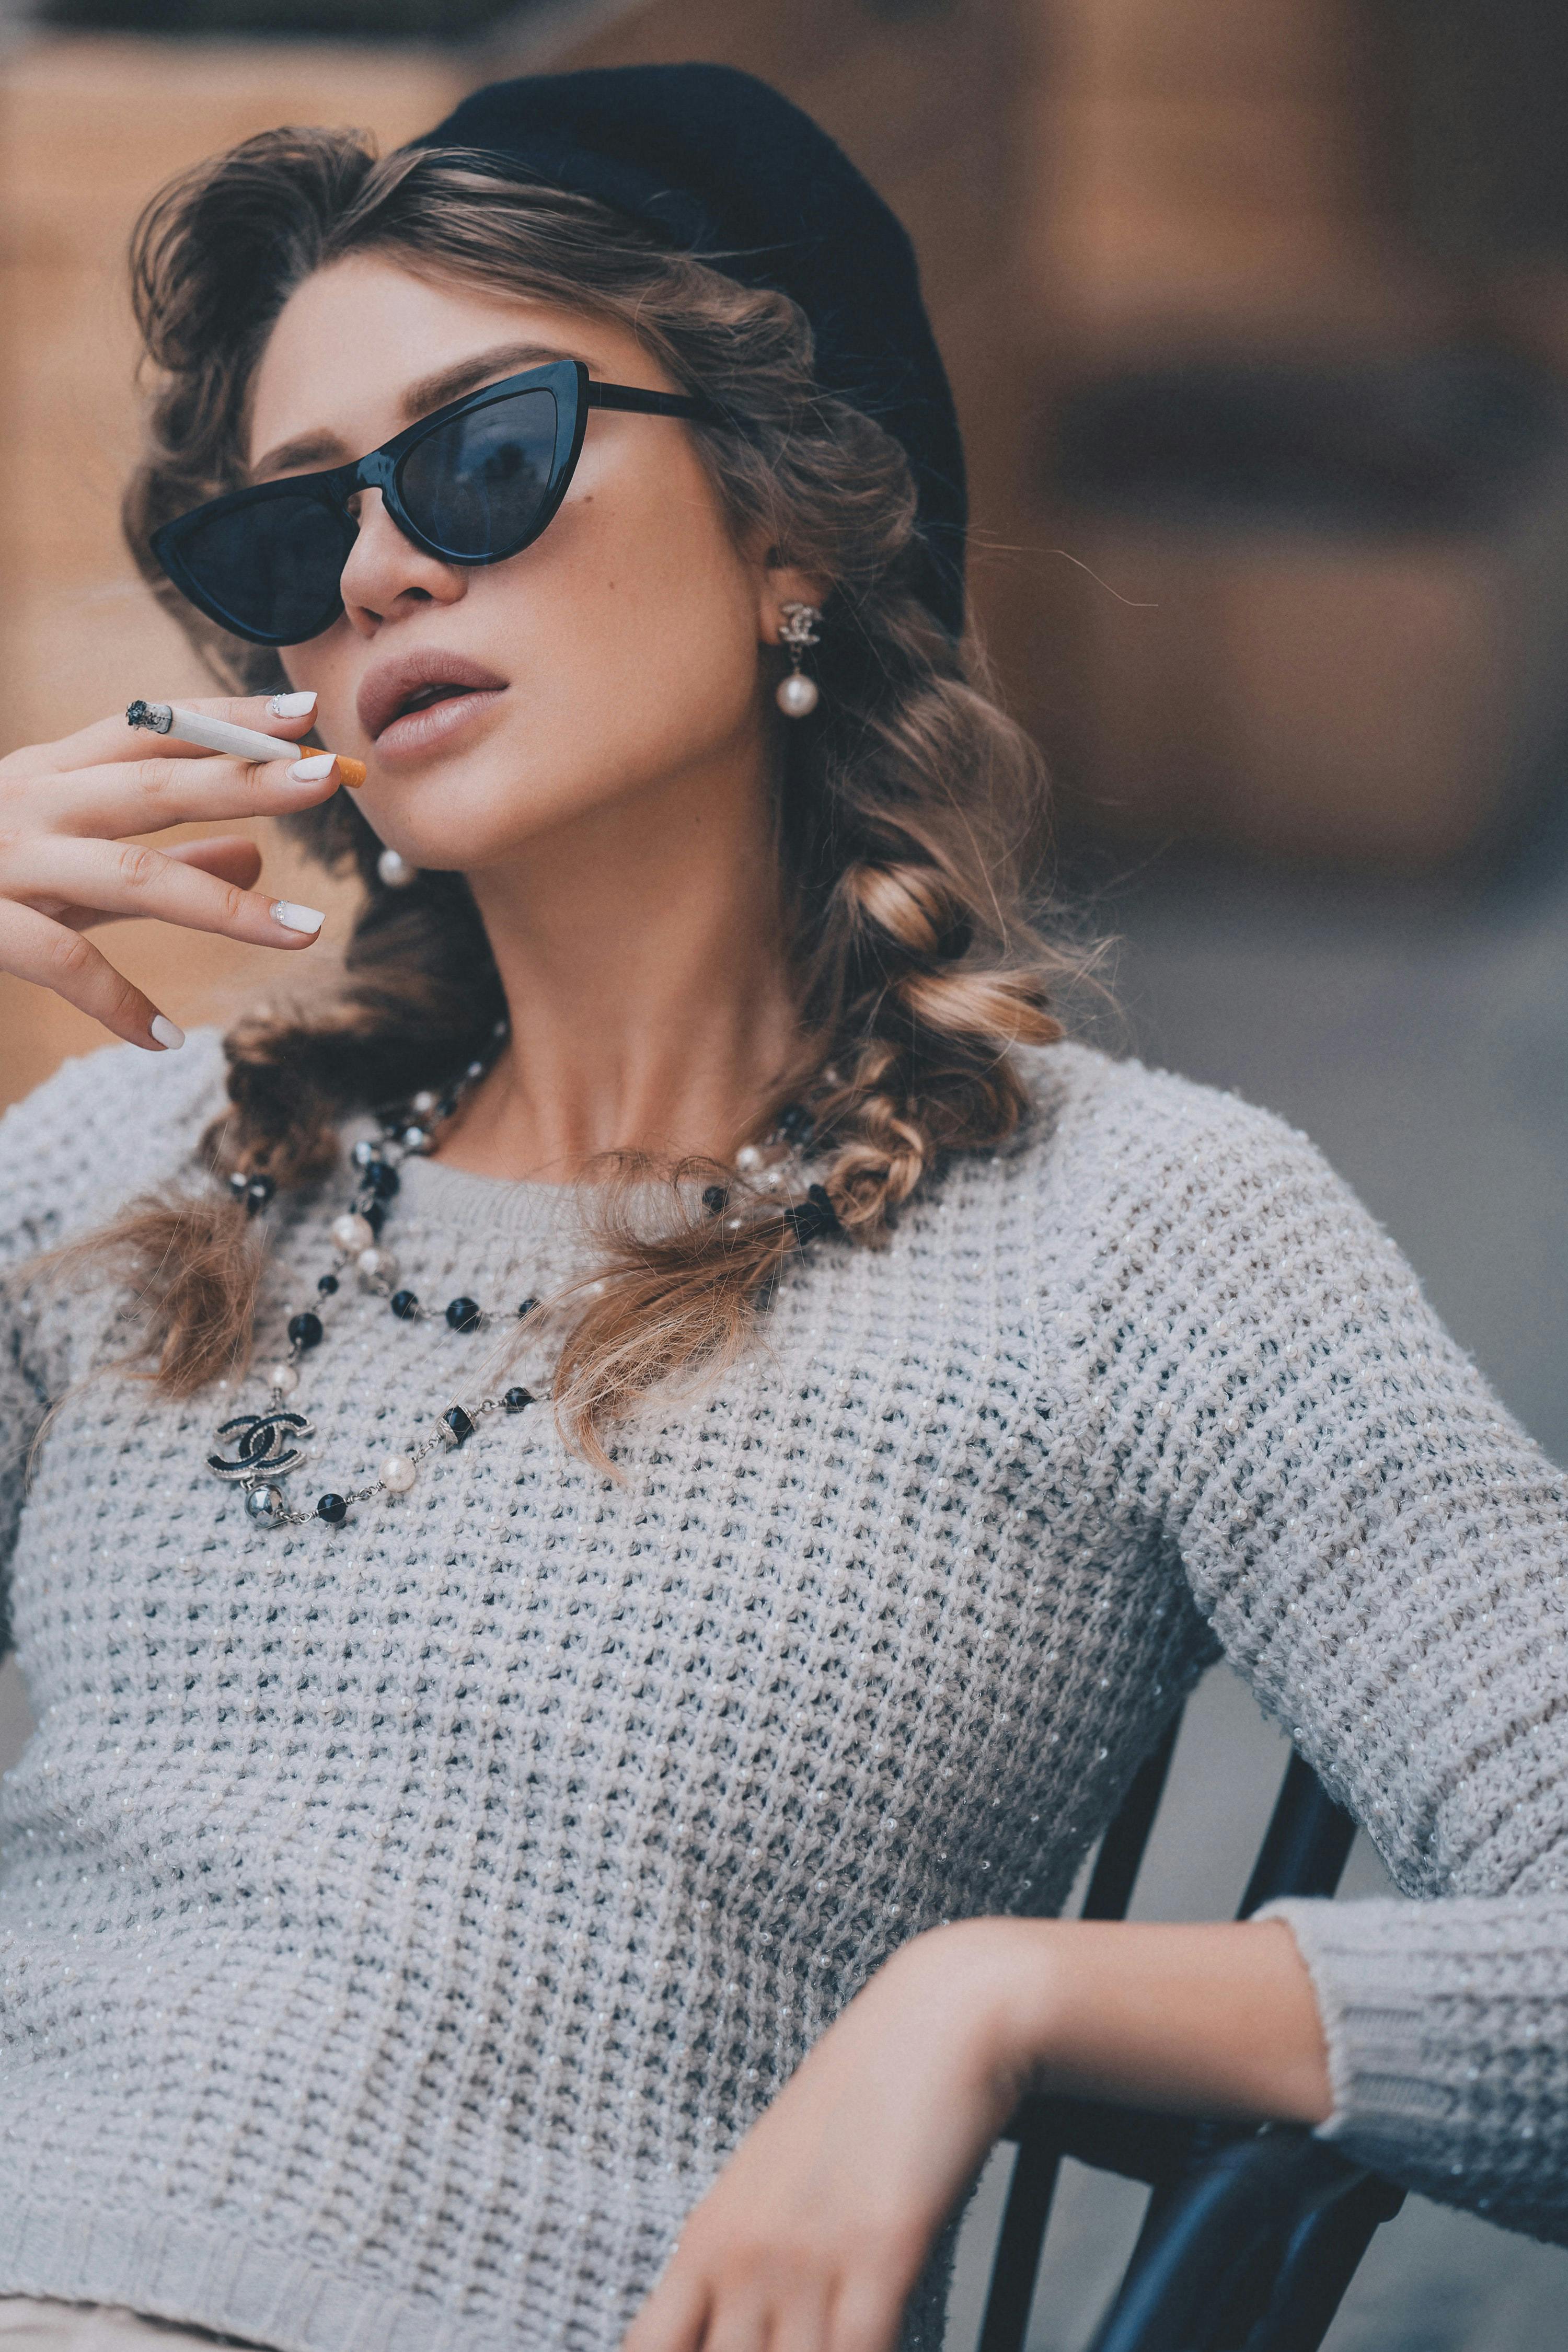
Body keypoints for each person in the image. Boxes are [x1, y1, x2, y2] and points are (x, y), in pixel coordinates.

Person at [0, 63, 1561, 2352]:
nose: (373, 569)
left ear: (787, 523)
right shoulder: (124, 1173)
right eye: (283, 537)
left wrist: (1001, 2000)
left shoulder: (1141, 1238)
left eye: (486, 457)